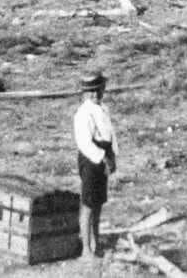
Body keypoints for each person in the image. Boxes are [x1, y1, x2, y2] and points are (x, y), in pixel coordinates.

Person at [74, 71, 116, 260]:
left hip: (103, 155)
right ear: (84, 94)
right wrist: (102, 157)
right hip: (91, 159)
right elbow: (84, 143)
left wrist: (112, 155)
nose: (95, 95)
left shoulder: (103, 109)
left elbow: (110, 135)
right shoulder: (83, 113)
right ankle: (86, 250)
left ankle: (96, 242)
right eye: (90, 92)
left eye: (98, 91)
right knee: (88, 204)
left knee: (98, 203)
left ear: (103, 89)